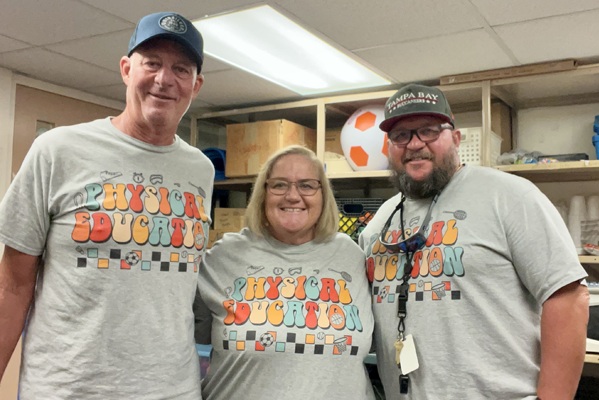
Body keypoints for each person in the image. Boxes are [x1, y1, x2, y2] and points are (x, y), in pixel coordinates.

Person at [0, 12, 214, 399]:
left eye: (181, 68)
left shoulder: (200, 170)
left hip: (171, 389)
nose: (164, 79)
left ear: (195, 86)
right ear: (126, 69)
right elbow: (13, 286)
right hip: (70, 387)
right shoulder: (57, 150)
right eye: (152, 63)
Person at [358, 83, 590, 400]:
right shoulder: (379, 225)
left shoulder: (509, 196)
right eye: (401, 135)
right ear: (389, 146)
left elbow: (568, 297)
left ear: (455, 137)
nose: (414, 144)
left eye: (427, 130)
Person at [195, 145, 375, 399]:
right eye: (279, 185)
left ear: (323, 195)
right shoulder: (223, 257)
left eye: (307, 185)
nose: (293, 195)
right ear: (263, 193)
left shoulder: (351, 256)